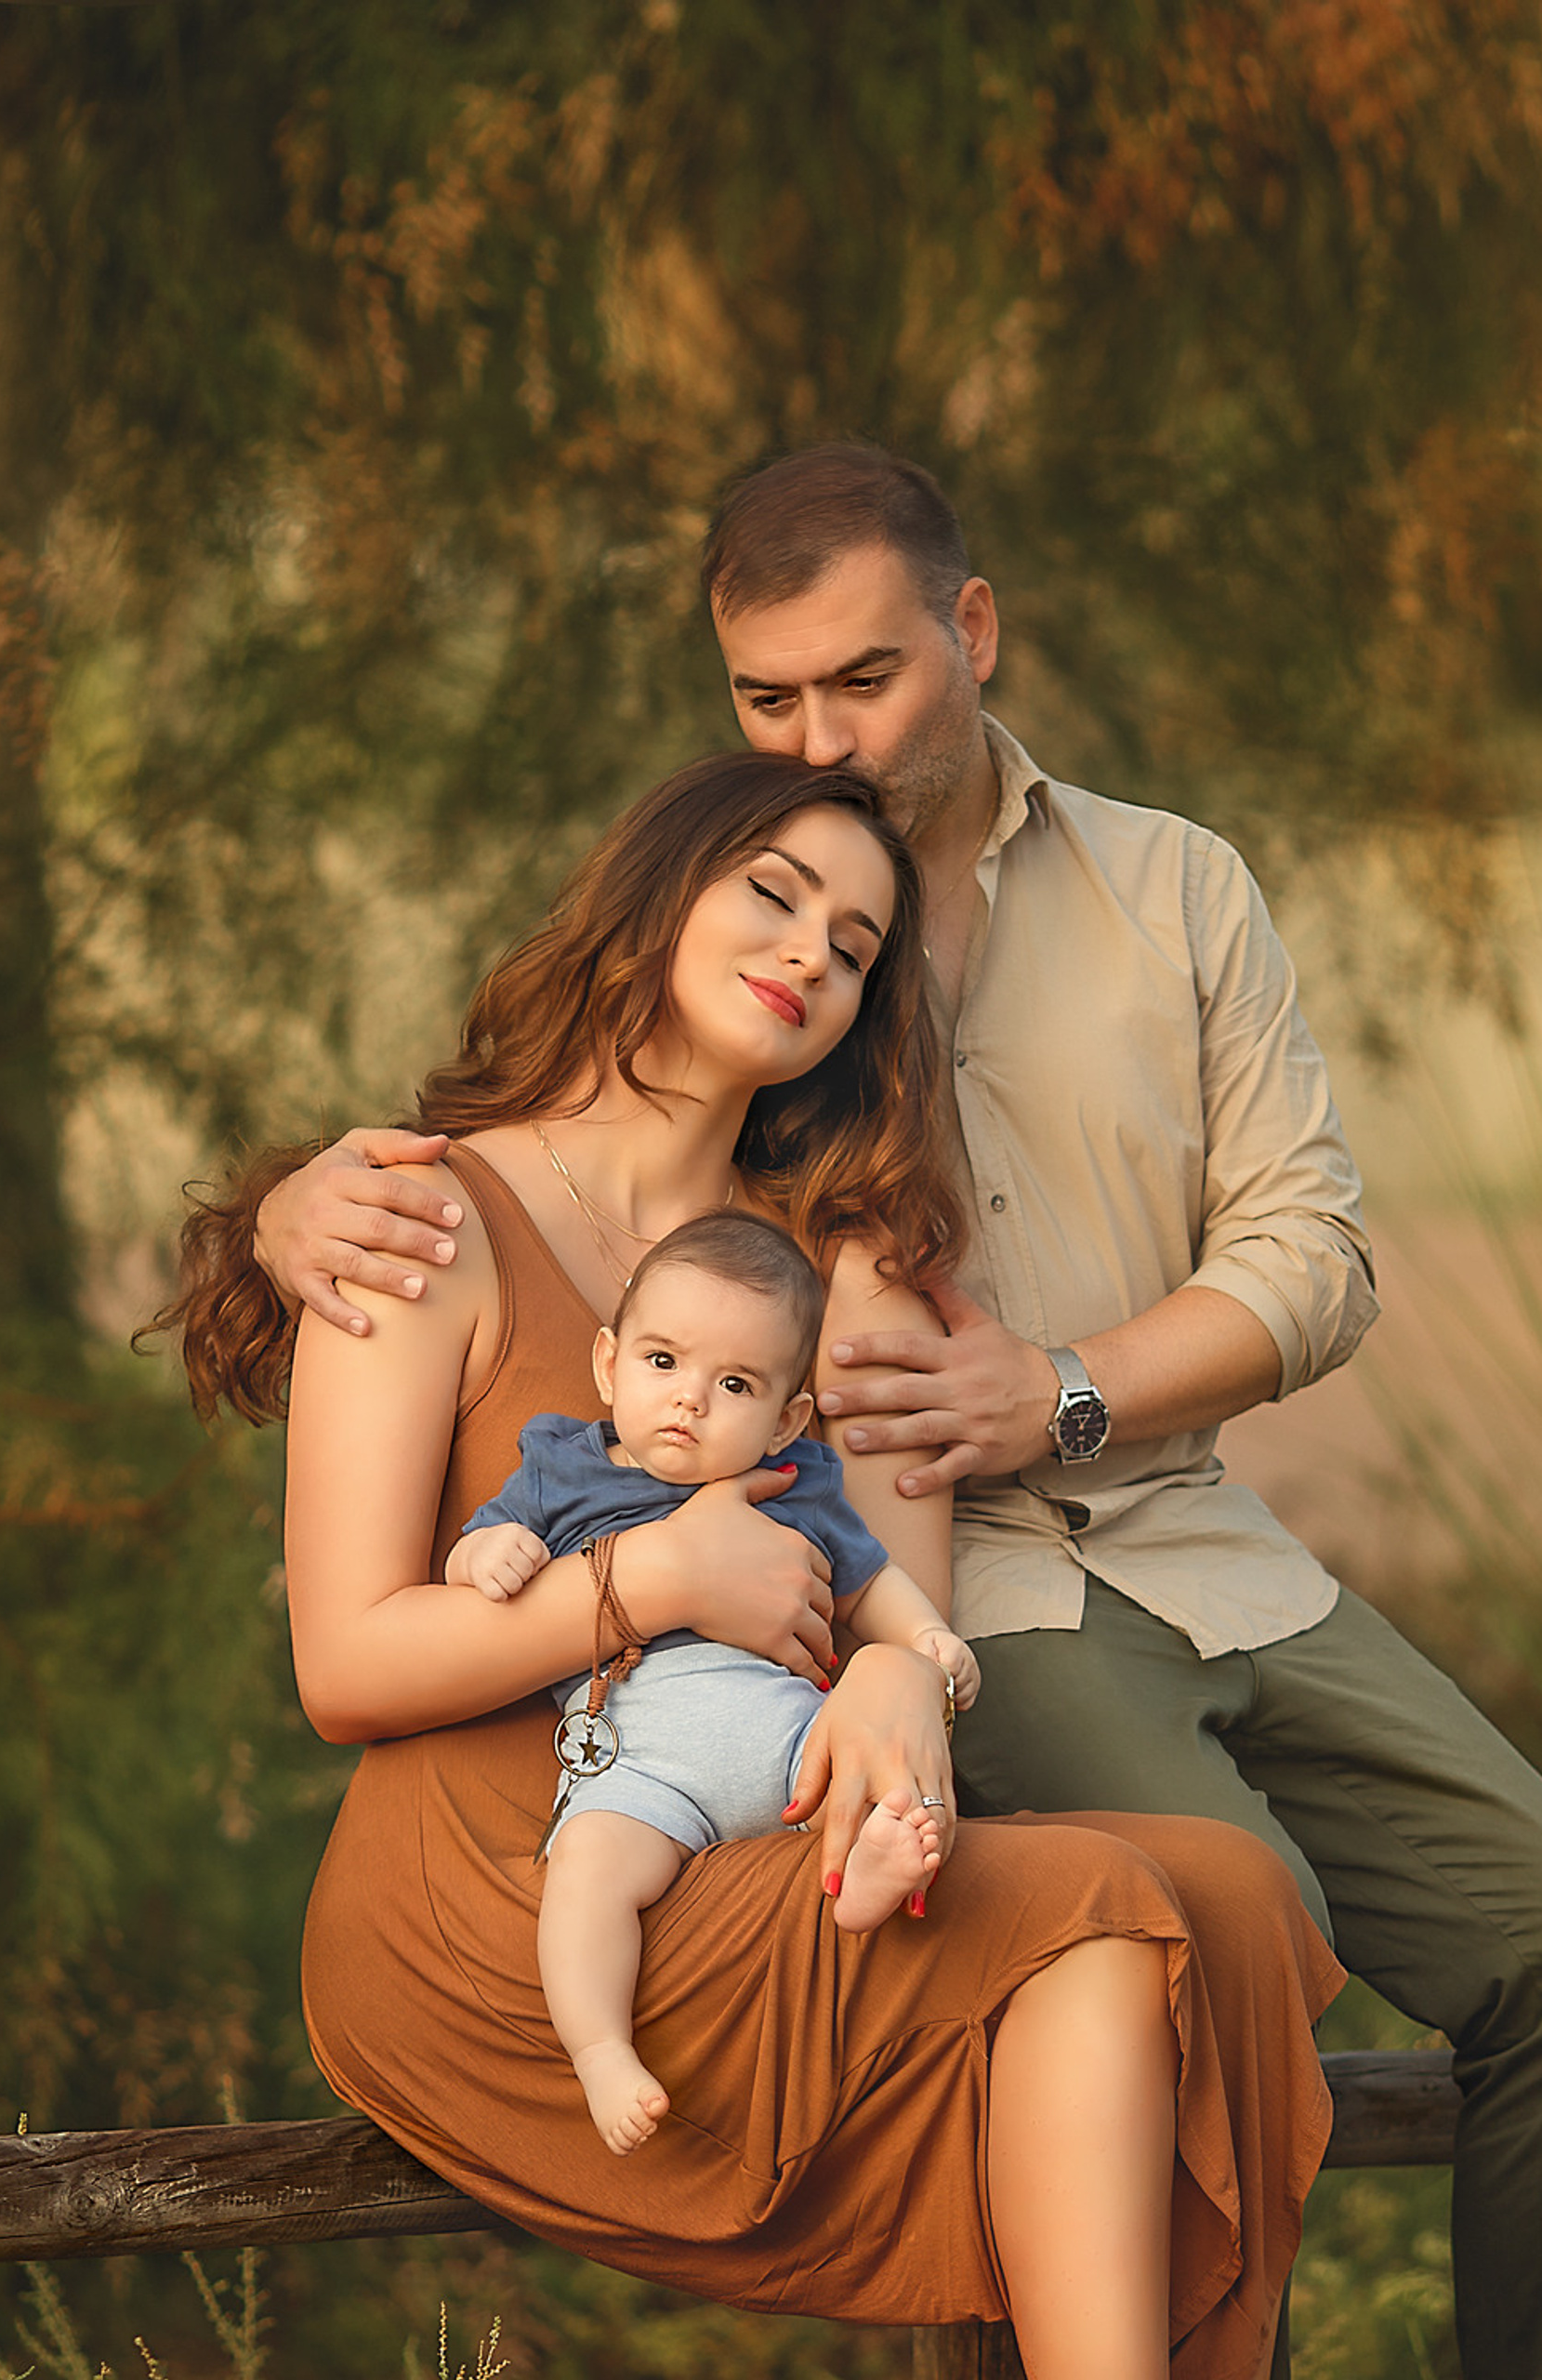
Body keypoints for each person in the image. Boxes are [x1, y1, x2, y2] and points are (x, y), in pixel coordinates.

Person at [254, 443, 1542, 2380]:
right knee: (1178, 1931)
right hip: (844, 1670)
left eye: (865, 682)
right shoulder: (584, 1184)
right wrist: (285, 1218)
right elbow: (465, 1326)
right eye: (770, 706)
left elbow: (1304, 1254)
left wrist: (1033, 1426)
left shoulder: (1126, 920)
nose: (821, 745)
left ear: (971, 630)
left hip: (1162, 1536)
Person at [164, 748, 1342, 2380]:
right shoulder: (423, 1221)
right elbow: (344, 1667)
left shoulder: (831, 1265)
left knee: (1237, 1897)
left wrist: (882, 1674)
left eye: (857, 947)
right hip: (517, 1907)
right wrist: (652, 1584)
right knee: (1102, 1911)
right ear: (656, 900)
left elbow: (891, 1604)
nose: (812, 954)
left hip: (750, 1837)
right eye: (775, 898)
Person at [448, 1210, 981, 2152]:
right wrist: (489, 1551)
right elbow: (478, 1548)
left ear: (784, 1417)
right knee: (585, 1877)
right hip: (640, 1761)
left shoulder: (797, 1482)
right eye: (663, 1362)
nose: (688, 1399)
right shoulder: (562, 1468)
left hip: (782, 1730)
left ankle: (866, 1873)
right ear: (609, 1365)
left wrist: (927, 1636)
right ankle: (601, 2047)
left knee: (869, 1773)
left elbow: (866, 1582)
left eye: (732, 1382)